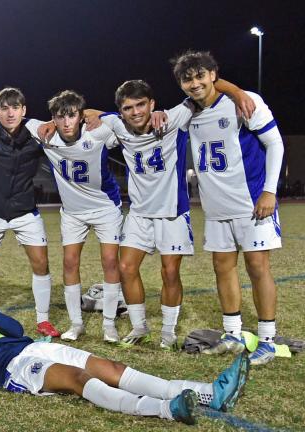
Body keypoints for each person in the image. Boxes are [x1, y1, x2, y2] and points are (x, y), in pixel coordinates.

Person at [0, 269, 251, 425]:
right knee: (77, 380)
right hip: (7, 368)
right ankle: (166, 409)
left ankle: (210, 393)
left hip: (33, 347)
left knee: (112, 369)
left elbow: (16, 329)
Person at [90, 78, 249, 349]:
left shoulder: (173, 118)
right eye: (128, 108)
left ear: (152, 104)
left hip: (172, 213)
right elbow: (87, 113)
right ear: (120, 111)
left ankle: (167, 331)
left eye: (141, 105)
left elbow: (204, 88)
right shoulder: (116, 124)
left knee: (170, 273)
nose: (136, 112)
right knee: (126, 268)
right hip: (139, 212)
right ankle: (140, 327)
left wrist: (237, 92)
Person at [171, 51, 284, 364]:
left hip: (251, 203)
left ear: (212, 74)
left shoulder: (244, 102)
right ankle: (233, 334)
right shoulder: (188, 112)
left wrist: (269, 192)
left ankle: (268, 341)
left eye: (199, 76)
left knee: (258, 268)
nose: (194, 84)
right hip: (216, 207)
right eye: (186, 79)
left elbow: (275, 144)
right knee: (222, 267)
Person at [26, 90, 125, 342]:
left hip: (105, 207)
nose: (67, 122)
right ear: (53, 119)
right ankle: (76, 323)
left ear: (81, 117)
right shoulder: (46, 135)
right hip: (72, 212)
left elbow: (120, 118)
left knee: (110, 261)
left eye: (72, 116)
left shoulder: (98, 132)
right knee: (70, 262)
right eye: (60, 117)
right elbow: (19, 121)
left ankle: (109, 324)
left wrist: (96, 113)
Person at [0, 88, 58, 337]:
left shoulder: (35, 135)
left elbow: (60, 123)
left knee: (41, 263)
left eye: (15, 107)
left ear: (24, 110)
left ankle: (43, 320)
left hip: (26, 212)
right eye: (4, 108)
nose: (10, 113)